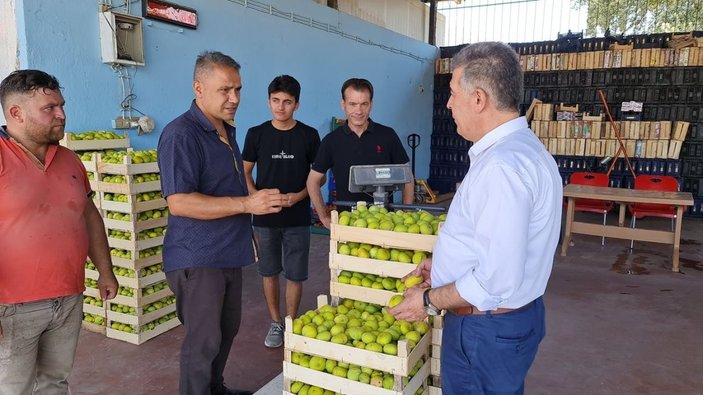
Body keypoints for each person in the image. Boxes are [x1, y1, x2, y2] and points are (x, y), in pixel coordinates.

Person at [389, 42, 563, 394]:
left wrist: (427, 299)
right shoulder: (526, 151)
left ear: (479, 99)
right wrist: (444, 266)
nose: (449, 104)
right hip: (506, 323)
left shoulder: (501, 168)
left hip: (485, 331)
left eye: (453, 93)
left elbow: (494, 281)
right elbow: (500, 247)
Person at [157, 52, 286, 395]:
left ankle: (216, 389)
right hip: (198, 256)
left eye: (239, 90)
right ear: (198, 87)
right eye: (225, 90)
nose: (234, 99)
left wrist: (250, 224)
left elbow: (228, 187)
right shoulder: (181, 135)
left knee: (226, 331)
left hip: (229, 252)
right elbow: (179, 201)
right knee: (203, 341)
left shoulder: (225, 130)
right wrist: (248, 203)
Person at [0, 69, 118, 394]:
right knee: (13, 389)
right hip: (11, 306)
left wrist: (105, 271)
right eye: (49, 108)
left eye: (62, 105)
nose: (61, 115)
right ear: (16, 113)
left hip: (67, 299)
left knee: (55, 383)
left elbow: (89, 217)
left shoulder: (70, 160)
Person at [242, 75, 320, 348]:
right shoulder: (256, 134)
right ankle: (276, 323)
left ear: (296, 105)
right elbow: (245, 171)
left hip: (298, 218)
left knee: (296, 274)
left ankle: (291, 321)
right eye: (275, 101)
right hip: (264, 219)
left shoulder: (309, 135)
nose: (280, 107)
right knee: (269, 271)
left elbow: (317, 176)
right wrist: (256, 196)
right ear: (269, 101)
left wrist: (298, 197)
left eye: (287, 102)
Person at [306, 78, 414, 228]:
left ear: (371, 105)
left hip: (386, 223)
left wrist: (407, 211)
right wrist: (324, 216)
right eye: (352, 104)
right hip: (348, 223)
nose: (358, 111)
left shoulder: (387, 135)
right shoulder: (331, 141)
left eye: (364, 104)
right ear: (343, 105)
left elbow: (407, 177)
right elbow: (312, 181)